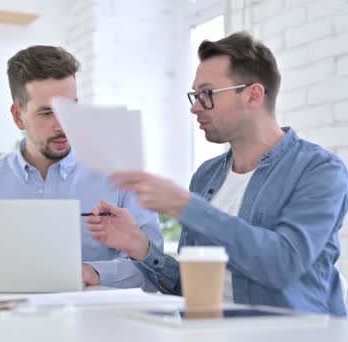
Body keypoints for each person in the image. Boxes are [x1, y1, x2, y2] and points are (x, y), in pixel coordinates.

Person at [88, 32, 347, 315]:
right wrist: (140, 247)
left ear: (253, 95)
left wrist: (184, 205)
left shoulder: (320, 171)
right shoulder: (207, 176)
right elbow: (193, 287)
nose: (195, 107)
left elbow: (282, 265)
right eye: (196, 94)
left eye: (207, 94)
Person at [0, 45, 162, 290]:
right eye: (47, 113)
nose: (62, 124)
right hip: (10, 321)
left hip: (102, 324)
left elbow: (156, 268)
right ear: (18, 116)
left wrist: (93, 273)